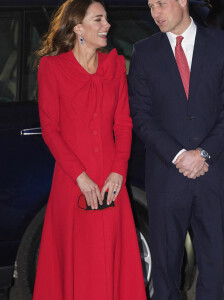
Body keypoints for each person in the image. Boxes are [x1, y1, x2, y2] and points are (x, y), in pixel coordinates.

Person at [128, 0, 224, 299]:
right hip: (166, 178)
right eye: (151, 6)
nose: (155, 13)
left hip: (214, 175)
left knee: (214, 270)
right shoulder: (144, 51)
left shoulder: (223, 43)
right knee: (165, 275)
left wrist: (203, 153)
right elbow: (141, 116)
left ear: (182, 1)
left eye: (161, 4)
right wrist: (180, 156)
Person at [33, 0, 147, 299]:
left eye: (106, 18)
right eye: (98, 19)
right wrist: (79, 177)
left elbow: (123, 124)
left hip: (111, 179)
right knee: (75, 260)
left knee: (111, 258)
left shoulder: (114, 65)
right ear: (77, 27)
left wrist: (118, 172)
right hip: (73, 180)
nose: (107, 25)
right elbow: (51, 130)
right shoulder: (52, 68)